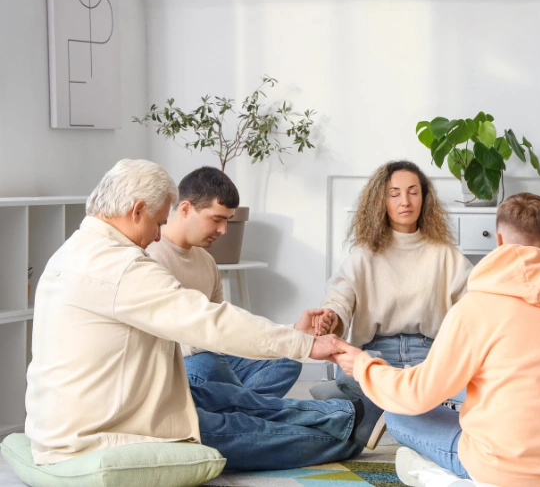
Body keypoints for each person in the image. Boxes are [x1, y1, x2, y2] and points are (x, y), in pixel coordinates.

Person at [25, 159, 378, 471]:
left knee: (226, 398)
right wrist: (305, 345)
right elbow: (211, 323)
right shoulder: (120, 267)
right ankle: (348, 439)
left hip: (106, 408)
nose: (156, 235)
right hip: (103, 428)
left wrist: (294, 339)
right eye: (157, 223)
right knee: (238, 428)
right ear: (137, 211)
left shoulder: (73, 251)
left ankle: (349, 414)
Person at [331, 192, 540, 487]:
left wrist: (362, 364)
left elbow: (415, 395)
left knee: (399, 414)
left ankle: (440, 476)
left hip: (505, 472)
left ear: (499, 241)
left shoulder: (473, 308)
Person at [311, 161, 472, 443]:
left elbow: (473, 303)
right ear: (380, 201)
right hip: (376, 354)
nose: (405, 201)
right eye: (394, 194)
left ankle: (374, 405)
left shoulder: (445, 254)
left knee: (468, 385)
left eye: (413, 192)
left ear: (425, 198)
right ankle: (400, 403)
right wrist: (331, 317)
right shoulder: (364, 253)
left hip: (429, 353)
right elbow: (340, 298)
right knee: (349, 382)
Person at [147, 167, 307, 398]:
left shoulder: (207, 262)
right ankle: (246, 407)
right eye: (217, 219)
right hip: (177, 361)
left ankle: (240, 409)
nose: (223, 230)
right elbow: (160, 339)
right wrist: (212, 343)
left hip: (212, 354)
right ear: (185, 209)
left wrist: (293, 332)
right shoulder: (150, 257)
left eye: (227, 221)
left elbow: (224, 326)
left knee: (288, 357)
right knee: (206, 366)